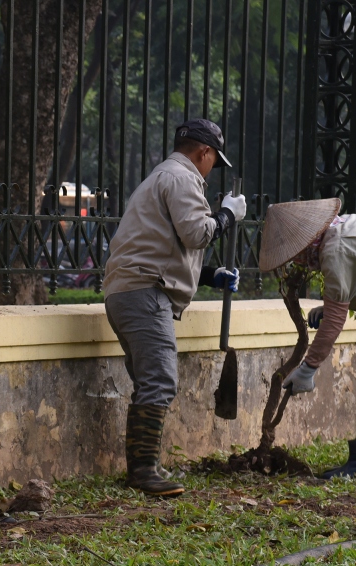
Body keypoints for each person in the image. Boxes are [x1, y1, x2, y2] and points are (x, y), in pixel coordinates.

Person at [101, 119, 247, 497]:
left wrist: (212, 275)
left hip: (132, 290)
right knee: (160, 381)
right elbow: (197, 233)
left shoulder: (162, 176)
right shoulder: (182, 178)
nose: (212, 169)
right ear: (205, 153)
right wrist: (229, 214)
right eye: (213, 160)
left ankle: (145, 467)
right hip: (144, 293)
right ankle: (144, 473)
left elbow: (163, 247)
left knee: (150, 382)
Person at [260, 198, 356, 478]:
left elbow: (335, 320)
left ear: (306, 242)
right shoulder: (342, 229)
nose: (297, 262)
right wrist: (330, 305)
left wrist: (307, 368)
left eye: (295, 253)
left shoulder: (335, 250)